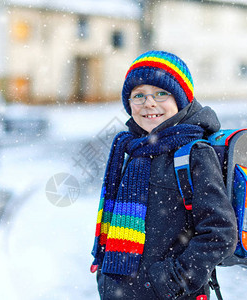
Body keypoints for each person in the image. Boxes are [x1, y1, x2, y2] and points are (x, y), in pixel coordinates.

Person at [90, 50, 238, 299]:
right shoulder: (132, 148)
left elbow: (220, 231)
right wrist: (105, 275)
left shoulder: (193, 154)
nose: (149, 103)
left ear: (181, 100)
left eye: (161, 93)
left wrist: (170, 280)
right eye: (139, 96)